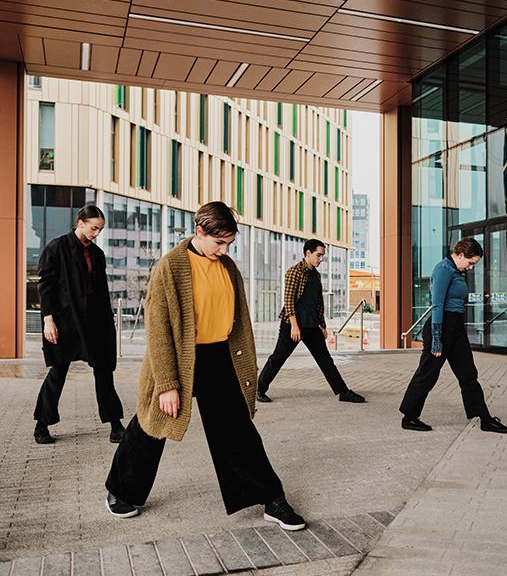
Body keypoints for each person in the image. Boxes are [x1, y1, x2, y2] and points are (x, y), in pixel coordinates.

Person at [104, 202, 305, 529]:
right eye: (219, 243)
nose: (224, 250)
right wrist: (168, 384)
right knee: (151, 426)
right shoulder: (171, 266)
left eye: (229, 243)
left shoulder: (227, 267)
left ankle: (272, 499)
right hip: (179, 359)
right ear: (199, 231)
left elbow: (238, 320)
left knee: (238, 430)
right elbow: (158, 329)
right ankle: (119, 490)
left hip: (219, 358)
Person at [399, 237, 507, 434]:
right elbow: (437, 305)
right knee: (428, 373)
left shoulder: (456, 270)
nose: (470, 267)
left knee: (468, 373)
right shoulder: (443, 269)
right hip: (441, 327)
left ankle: (485, 419)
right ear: (460, 255)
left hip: (456, 326)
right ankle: (409, 417)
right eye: (470, 263)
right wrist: (436, 339)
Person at [34, 205, 124, 444]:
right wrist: (48, 319)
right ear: (80, 222)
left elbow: (100, 290)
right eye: (94, 228)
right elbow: (45, 286)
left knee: (104, 370)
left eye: (100, 229)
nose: (97, 233)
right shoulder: (56, 248)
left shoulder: (97, 253)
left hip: (95, 319)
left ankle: (115, 424)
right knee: (58, 372)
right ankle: (41, 425)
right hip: (65, 320)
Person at [257, 239, 365, 404]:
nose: (321, 259)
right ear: (308, 253)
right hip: (293, 326)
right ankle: (259, 389)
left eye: (322, 256)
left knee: (325, 360)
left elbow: (318, 302)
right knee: (278, 357)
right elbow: (289, 300)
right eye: (319, 255)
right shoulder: (294, 272)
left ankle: (343, 392)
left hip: (312, 325)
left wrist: (322, 325)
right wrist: (294, 325)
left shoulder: (316, 275)